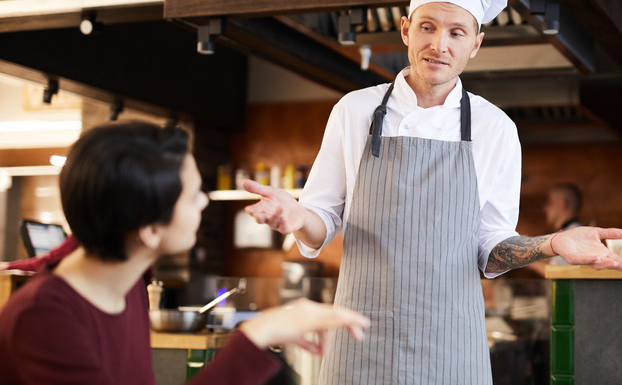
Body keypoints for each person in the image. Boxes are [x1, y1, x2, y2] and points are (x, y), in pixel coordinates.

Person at [241, 0, 622, 385]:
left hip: (452, 346)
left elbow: (491, 247)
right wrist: (298, 217)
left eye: (456, 32)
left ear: (476, 44)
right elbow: (322, 223)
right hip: (360, 341)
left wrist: (554, 243)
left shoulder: (495, 129)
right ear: (407, 28)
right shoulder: (354, 111)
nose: (439, 45)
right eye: (428, 27)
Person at [0, 122, 370, 385]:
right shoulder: (45, 319)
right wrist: (260, 332)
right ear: (149, 230)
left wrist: (299, 215)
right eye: (193, 194)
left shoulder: (125, 279)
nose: (204, 201)